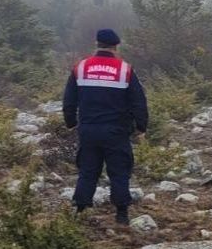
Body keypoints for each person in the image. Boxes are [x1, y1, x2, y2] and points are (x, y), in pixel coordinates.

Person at [62, 28, 149, 224]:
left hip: (89, 130)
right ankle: (121, 214)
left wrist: (71, 122)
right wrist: (141, 127)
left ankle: (80, 210)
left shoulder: (80, 68)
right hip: (116, 131)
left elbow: (69, 100)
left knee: (87, 170)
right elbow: (138, 102)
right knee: (119, 172)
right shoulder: (125, 70)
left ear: (97, 44)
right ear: (116, 47)